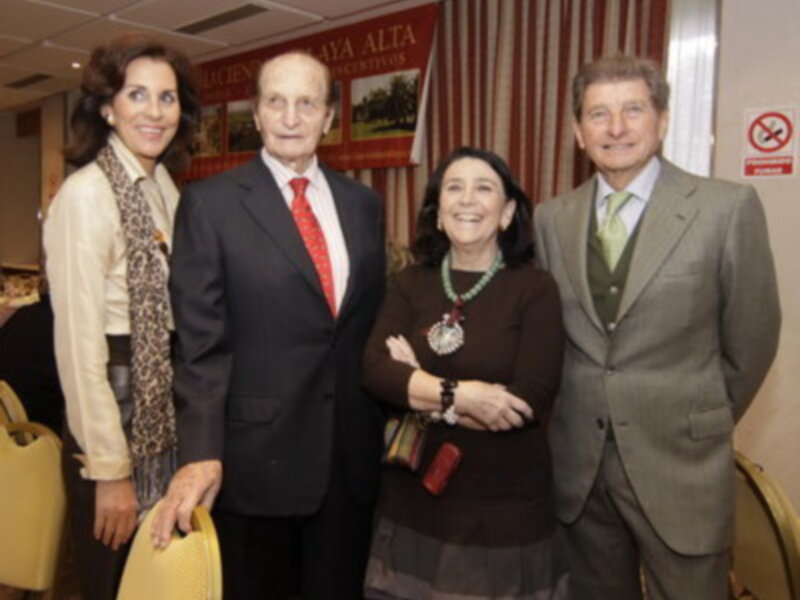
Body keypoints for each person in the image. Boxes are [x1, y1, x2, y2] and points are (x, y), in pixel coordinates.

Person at [533, 54, 781, 600]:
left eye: (633, 110)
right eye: (598, 114)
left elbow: (753, 340)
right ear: (578, 132)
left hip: (683, 465)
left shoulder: (725, 208)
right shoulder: (551, 218)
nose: (616, 128)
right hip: (581, 469)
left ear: (662, 120)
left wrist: (699, 418)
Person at [152, 50, 386, 600]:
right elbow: (199, 344)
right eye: (276, 102)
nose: (290, 117)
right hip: (253, 465)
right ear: (254, 114)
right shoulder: (210, 206)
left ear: (330, 117)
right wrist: (200, 451)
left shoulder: (364, 205)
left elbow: (364, 325)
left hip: (348, 464)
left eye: (307, 103)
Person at [361, 147, 568, 599]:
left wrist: (422, 389)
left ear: (508, 212)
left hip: (502, 508)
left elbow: (527, 402)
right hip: (413, 501)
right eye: (454, 188)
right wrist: (461, 397)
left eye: (484, 188)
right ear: (438, 214)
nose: (467, 200)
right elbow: (376, 370)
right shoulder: (410, 283)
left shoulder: (535, 290)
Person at [43, 34, 199, 600]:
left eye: (167, 97)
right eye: (138, 95)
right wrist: (109, 470)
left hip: (160, 408)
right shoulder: (86, 196)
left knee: (147, 581)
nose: (155, 112)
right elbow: (79, 349)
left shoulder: (161, 187)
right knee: (102, 583)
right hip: (112, 408)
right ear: (108, 106)